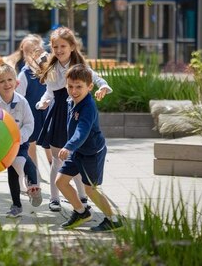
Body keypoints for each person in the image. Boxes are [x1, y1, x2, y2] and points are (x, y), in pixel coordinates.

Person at [36, 27, 112, 213]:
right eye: (55, 46)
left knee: (75, 158)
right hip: (58, 113)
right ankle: (54, 198)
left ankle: (82, 196)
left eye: (63, 45)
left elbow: (98, 79)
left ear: (72, 47)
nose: (59, 50)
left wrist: (103, 88)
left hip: (75, 113)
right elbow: (49, 92)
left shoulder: (80, 67)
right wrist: (43, 102)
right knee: (57, 159)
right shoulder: (52, 68)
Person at [56, 64, 123, 231]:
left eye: (79, 87)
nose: (74, 90)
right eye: (70, 86)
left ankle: (113, 220)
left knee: (90, 189)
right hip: (78, 151)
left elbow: (82, 130)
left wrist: (69, 146)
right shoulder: (71, 100)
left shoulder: (88, 107)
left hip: (91, 153)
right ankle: (81, 212)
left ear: (90, 87)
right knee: (61, 181)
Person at [0, 63, 42, 218]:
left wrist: (18, 137)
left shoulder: (22, 101)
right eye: (2, 81)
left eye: (9, 80)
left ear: (16, 82)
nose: (7, 84)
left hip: (19, 141)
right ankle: (28, 189)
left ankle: (27, 193)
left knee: (18, 163)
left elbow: (29, 123)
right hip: (0, 144)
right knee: (14, 165)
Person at [15, 34, 48, 175]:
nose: (34, 55)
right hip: (31, 115)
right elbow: (19, 97)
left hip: (47, 112)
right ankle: (34, 172)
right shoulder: (24, 75)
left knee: (50, 144)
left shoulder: (47, 71)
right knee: (31, 144)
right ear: (24, 55)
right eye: (29, 52)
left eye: (37, 51)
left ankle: (55, 167)